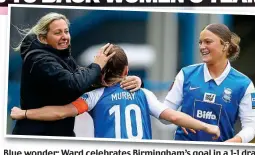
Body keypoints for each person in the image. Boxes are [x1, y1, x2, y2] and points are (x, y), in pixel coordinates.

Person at [11, 45, 220, 140]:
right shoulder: (143, 94)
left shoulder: (93, 97)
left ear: (98, 71)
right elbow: (173, 116)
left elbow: (60, 113)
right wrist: (206, 126)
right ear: (127, 71)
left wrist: (25, 113)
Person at [12, 12, 141, 136]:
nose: (64, 36)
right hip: (36, 138)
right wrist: (97, 65)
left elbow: (85, 82)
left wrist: (130, 81)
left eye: (66, 31)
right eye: (58, 33)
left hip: (58, 135)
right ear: (43, 38)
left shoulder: (62, 57)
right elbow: (73, 84)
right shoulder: (39, 60)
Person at [163, 23, 255, 143]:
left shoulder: (244, 84)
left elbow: (250, 127)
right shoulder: (186, 74)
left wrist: (233, 142)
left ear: (225, 46)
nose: (202, 46)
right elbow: (163, 115)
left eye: (208, 42)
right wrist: (179, 119)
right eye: (200, 42)